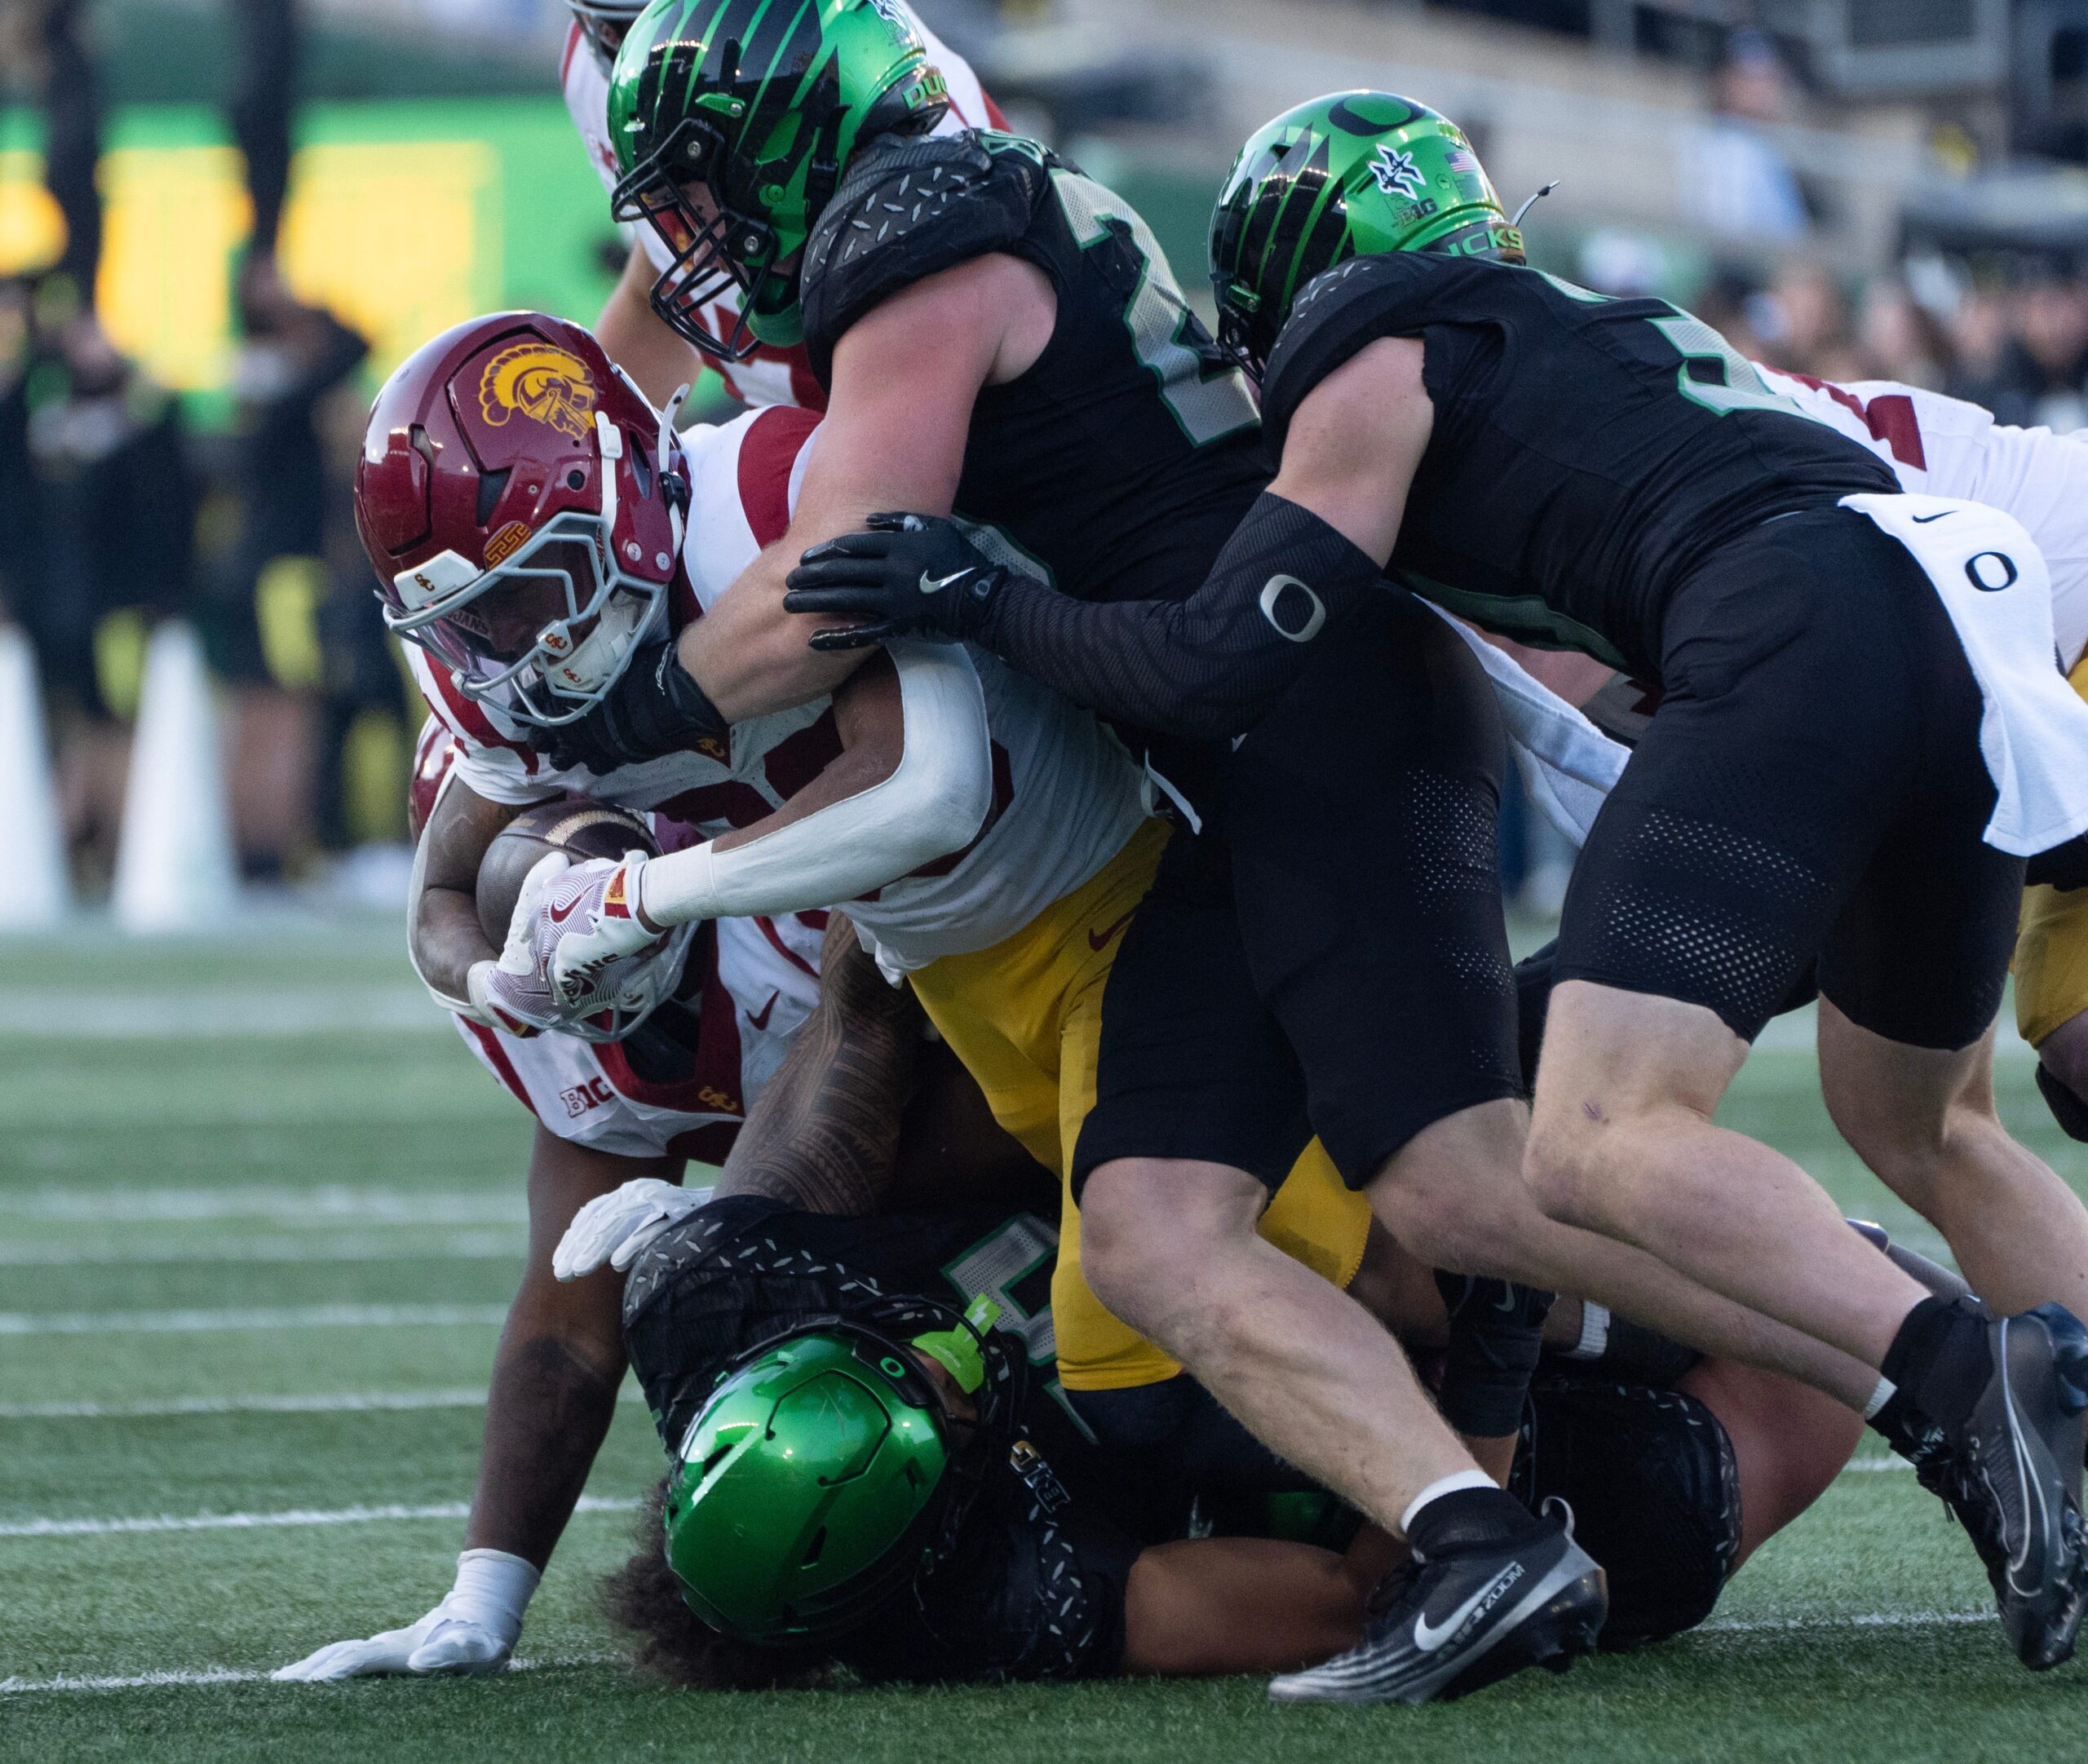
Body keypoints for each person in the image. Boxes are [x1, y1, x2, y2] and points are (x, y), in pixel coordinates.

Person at [781, 91, 2088, 1674]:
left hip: (1802, 617)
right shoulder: (1596, 327)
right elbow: (1595, 683)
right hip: (1963, 615)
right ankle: (1993, 1390)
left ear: (1291, 276)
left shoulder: (1372, 337)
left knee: (1595, 1134)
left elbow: (1220, 660)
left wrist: (985, 598)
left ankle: (1964, 1375)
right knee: (1923, 1120)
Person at [555, 0, 1002, 407]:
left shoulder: (913, 141)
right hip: (801, 415)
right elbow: (654, 292)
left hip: (905, 429)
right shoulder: (601, 74)